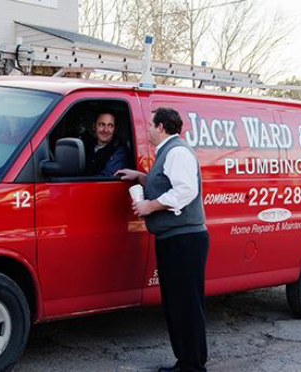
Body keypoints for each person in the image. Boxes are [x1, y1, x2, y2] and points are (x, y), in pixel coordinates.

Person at [116, 107, 209, 372]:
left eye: (150, 125)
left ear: (162, 127)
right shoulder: (169, 151)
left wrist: (151, 206)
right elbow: (168, 182)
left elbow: (185, 190)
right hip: (177, 239)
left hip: (184, 241)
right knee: (180, 302)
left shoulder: (177, 152)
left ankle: (191, 366)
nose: (147, 129)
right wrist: (141, 177)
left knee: (185, 304)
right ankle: (190, 361)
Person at [83, 111, 128, 176]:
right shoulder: (86, 146)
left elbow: (105, 177)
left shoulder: (120, 151)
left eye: (110, 126)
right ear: (94, 126)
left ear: (115, 129)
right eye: (101, 124)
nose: (106, 130)